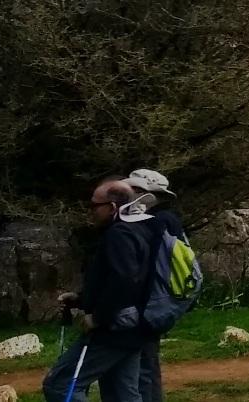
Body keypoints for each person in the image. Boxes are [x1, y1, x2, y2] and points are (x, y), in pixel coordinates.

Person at [43, 180, 157, 402]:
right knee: (122, 394)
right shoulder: (141, 230)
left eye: (95, 206)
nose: (91, 211)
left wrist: (98, 317)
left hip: (114, 326)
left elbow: (124, 280)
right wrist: (81, 299)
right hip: (136, 325)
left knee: (60, 385)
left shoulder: (119, 234)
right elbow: (127, 279)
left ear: (112, 207)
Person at [123, 169, 184, 402]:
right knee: (147, 363)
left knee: (144, 368)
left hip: (149, 301)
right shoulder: (167, 219)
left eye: (133, 189)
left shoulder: (154, 222)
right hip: (162, 300)